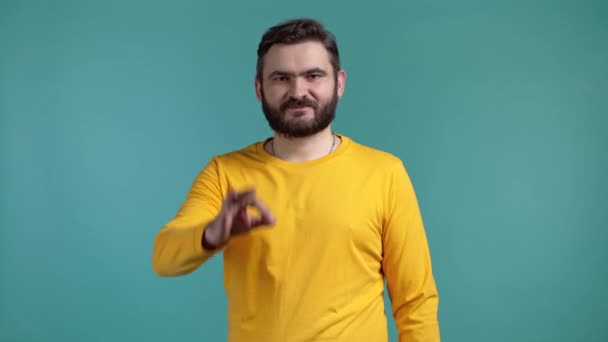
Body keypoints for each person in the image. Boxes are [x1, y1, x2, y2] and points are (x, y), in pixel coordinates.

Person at [152, 18, 440, 342]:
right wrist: (213, 232)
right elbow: (164, 257)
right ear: (259, 88)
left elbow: (416, 304)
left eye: (313, 76)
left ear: (339, 83)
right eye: (281, 78)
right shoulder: (225, 174)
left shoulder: (385, 173)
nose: (298, 91)